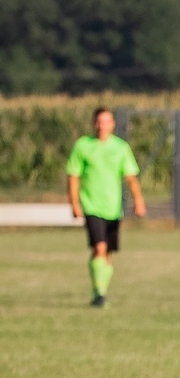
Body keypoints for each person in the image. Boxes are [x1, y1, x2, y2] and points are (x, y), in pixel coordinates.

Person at [66, 108, 144, 308]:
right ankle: (100, 294)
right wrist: (74, 203)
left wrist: (138, 200)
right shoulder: (83, 146)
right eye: (99, 122)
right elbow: (73, 176)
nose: (102, 126)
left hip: (113, 207)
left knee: (106, 252)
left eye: (106, 122)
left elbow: (130, 176)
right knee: (100, 247)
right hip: (91, 205)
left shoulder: (120, 148)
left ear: (113, 124)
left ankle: (99, 290)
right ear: (94, 123)